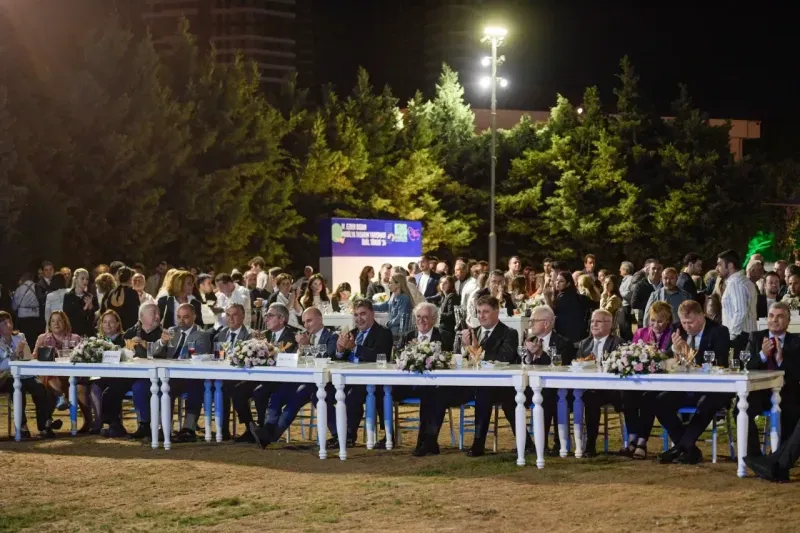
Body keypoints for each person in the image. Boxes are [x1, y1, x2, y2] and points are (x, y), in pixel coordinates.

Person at [249, 307, 338, 448]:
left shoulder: (332, 336)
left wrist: (307, 346)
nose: (307, 325)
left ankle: (270, 436)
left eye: (310, 320)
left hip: (322, 382)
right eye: (304, 322)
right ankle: (268, 429)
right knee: (278, 393)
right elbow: (295, 360)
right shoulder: (302, 336)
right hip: (302, 379)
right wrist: (300, 349)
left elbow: (329, 356)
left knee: (295, 398)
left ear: (320, 319)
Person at [655, 300, 730, 465]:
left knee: (706, 404)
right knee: (660, 402)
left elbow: (720, 362)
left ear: (702, 316)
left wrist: (688, 351)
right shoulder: (677, 329)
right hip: (684, 386)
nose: (687, 326)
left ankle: (680, 447)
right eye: (683, 322)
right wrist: (674, 349)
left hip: (714, 389)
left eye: (691, 322)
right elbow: (664, 356)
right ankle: (690, 449)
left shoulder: (719, 331)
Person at [326, 299, 393, 449]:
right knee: (320, 394)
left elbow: (380, 356)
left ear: (372, 314)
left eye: (363, 314)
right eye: (356, 315)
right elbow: (339, 358)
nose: (359, 318)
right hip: (347, 381)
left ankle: (348, 436)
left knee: (352, 395)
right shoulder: (352, 333)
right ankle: (338, 433)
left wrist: (355, 348)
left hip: (373, 382)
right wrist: (340, 350)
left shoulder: (383, 333)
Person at [740, 301, 800, 456]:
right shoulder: (755, 337)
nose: (775, 320)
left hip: (786, 393)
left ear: (788, 321)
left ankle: (781, 456)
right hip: (759, 393)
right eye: (771, 316)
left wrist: (781, 361)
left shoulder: (796, 342)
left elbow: (796, 374)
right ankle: (755, 456)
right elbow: (745, 367)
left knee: (793, 410)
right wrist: (762, 355)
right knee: (740, 411)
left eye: (780, 316)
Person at [622, 301, 674, 459]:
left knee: (647, 399)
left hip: (663, 383)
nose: (656, 324)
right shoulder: (640, 333)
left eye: (660, 321)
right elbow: (632, 354)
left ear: (668, 321)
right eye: (653, 320)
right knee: (627, 395)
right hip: (640, 381)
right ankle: (632, 438)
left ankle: (642, 442)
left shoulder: (674, 335)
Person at [153, 303, 210, 442]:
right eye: (179, 317)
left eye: (185, 317)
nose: (181, 320)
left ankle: (188, 429)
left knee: (195, 387)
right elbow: (154, 352)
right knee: (163, 387)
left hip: (192, 376)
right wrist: (162, 342)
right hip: (172, 376)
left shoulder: (202, 334)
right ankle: (164, 427)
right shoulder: (172, 331)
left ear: (194, 317)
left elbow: (199, 356)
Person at [577, 309, 624, 456]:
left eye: (598, 321)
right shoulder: (584, 344)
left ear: (609, 325)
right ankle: (589, 445)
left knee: (592, 397)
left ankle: (590, 444)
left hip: (612, 389)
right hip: (589, 389)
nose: (594, 325)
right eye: (592, 321)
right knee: (590, 397)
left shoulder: (618, 343)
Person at [0, 311, 52, 438]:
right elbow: (1, 366)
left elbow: (28, 357)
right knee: (18, 388)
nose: (9, 325)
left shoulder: (20, 337)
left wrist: (21, 354)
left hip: (25, 374)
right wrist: (14, 356)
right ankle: (22, 426)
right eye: (4, 323)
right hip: (5, 377)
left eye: (10, 321)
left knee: (39, 387)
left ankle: (44, 425)